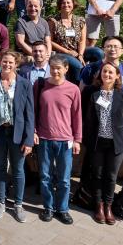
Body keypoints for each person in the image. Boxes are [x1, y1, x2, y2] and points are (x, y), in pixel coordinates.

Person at [0, 51, 34, 222]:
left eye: (11, 62)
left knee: (18, 170)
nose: (7, 65)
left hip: (17, 133)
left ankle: (18, 204)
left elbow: (29, 114)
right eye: (4, 61)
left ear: (16, 64)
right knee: (0, 167)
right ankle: (0, 202)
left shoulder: (24, 84)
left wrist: (28, 139)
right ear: (0, 62)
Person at [35, 55, 82, 225]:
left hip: (65, 140)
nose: (55, 71)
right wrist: (34, 131)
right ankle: (48, 207)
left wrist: (77, 139)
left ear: (66, 69)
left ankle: (62, 209)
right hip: (45, 138)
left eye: (59, 68)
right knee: (45, 176)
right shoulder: (40, 85)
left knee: (63, 178)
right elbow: (33, 110)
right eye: (52, 67)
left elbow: (77, 116)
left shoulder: (73, 89)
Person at [82, 63, 123, 225]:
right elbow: (87, 118)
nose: (107, 75)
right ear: (100, 74)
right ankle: (99, 206)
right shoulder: (92, 93)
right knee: (97, 175)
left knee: (111, 176)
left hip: (116, 143)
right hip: (97, 142)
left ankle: (108, 206)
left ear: (117, 75)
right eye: (105, 71)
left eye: (111, 72)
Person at [48, 0, 87, 83]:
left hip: (77, 51)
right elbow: (49, 41)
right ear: (59, 5)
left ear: (73, 5)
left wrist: (80, 55)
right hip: (61, 52)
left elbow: (82, 40)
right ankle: (76, 89)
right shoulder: (53, 21)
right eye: (63, 3)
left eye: (68, 3)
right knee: (78, 66)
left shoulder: (81, 20)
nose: (66, 5)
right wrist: (68, 52)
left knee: (98, 53)